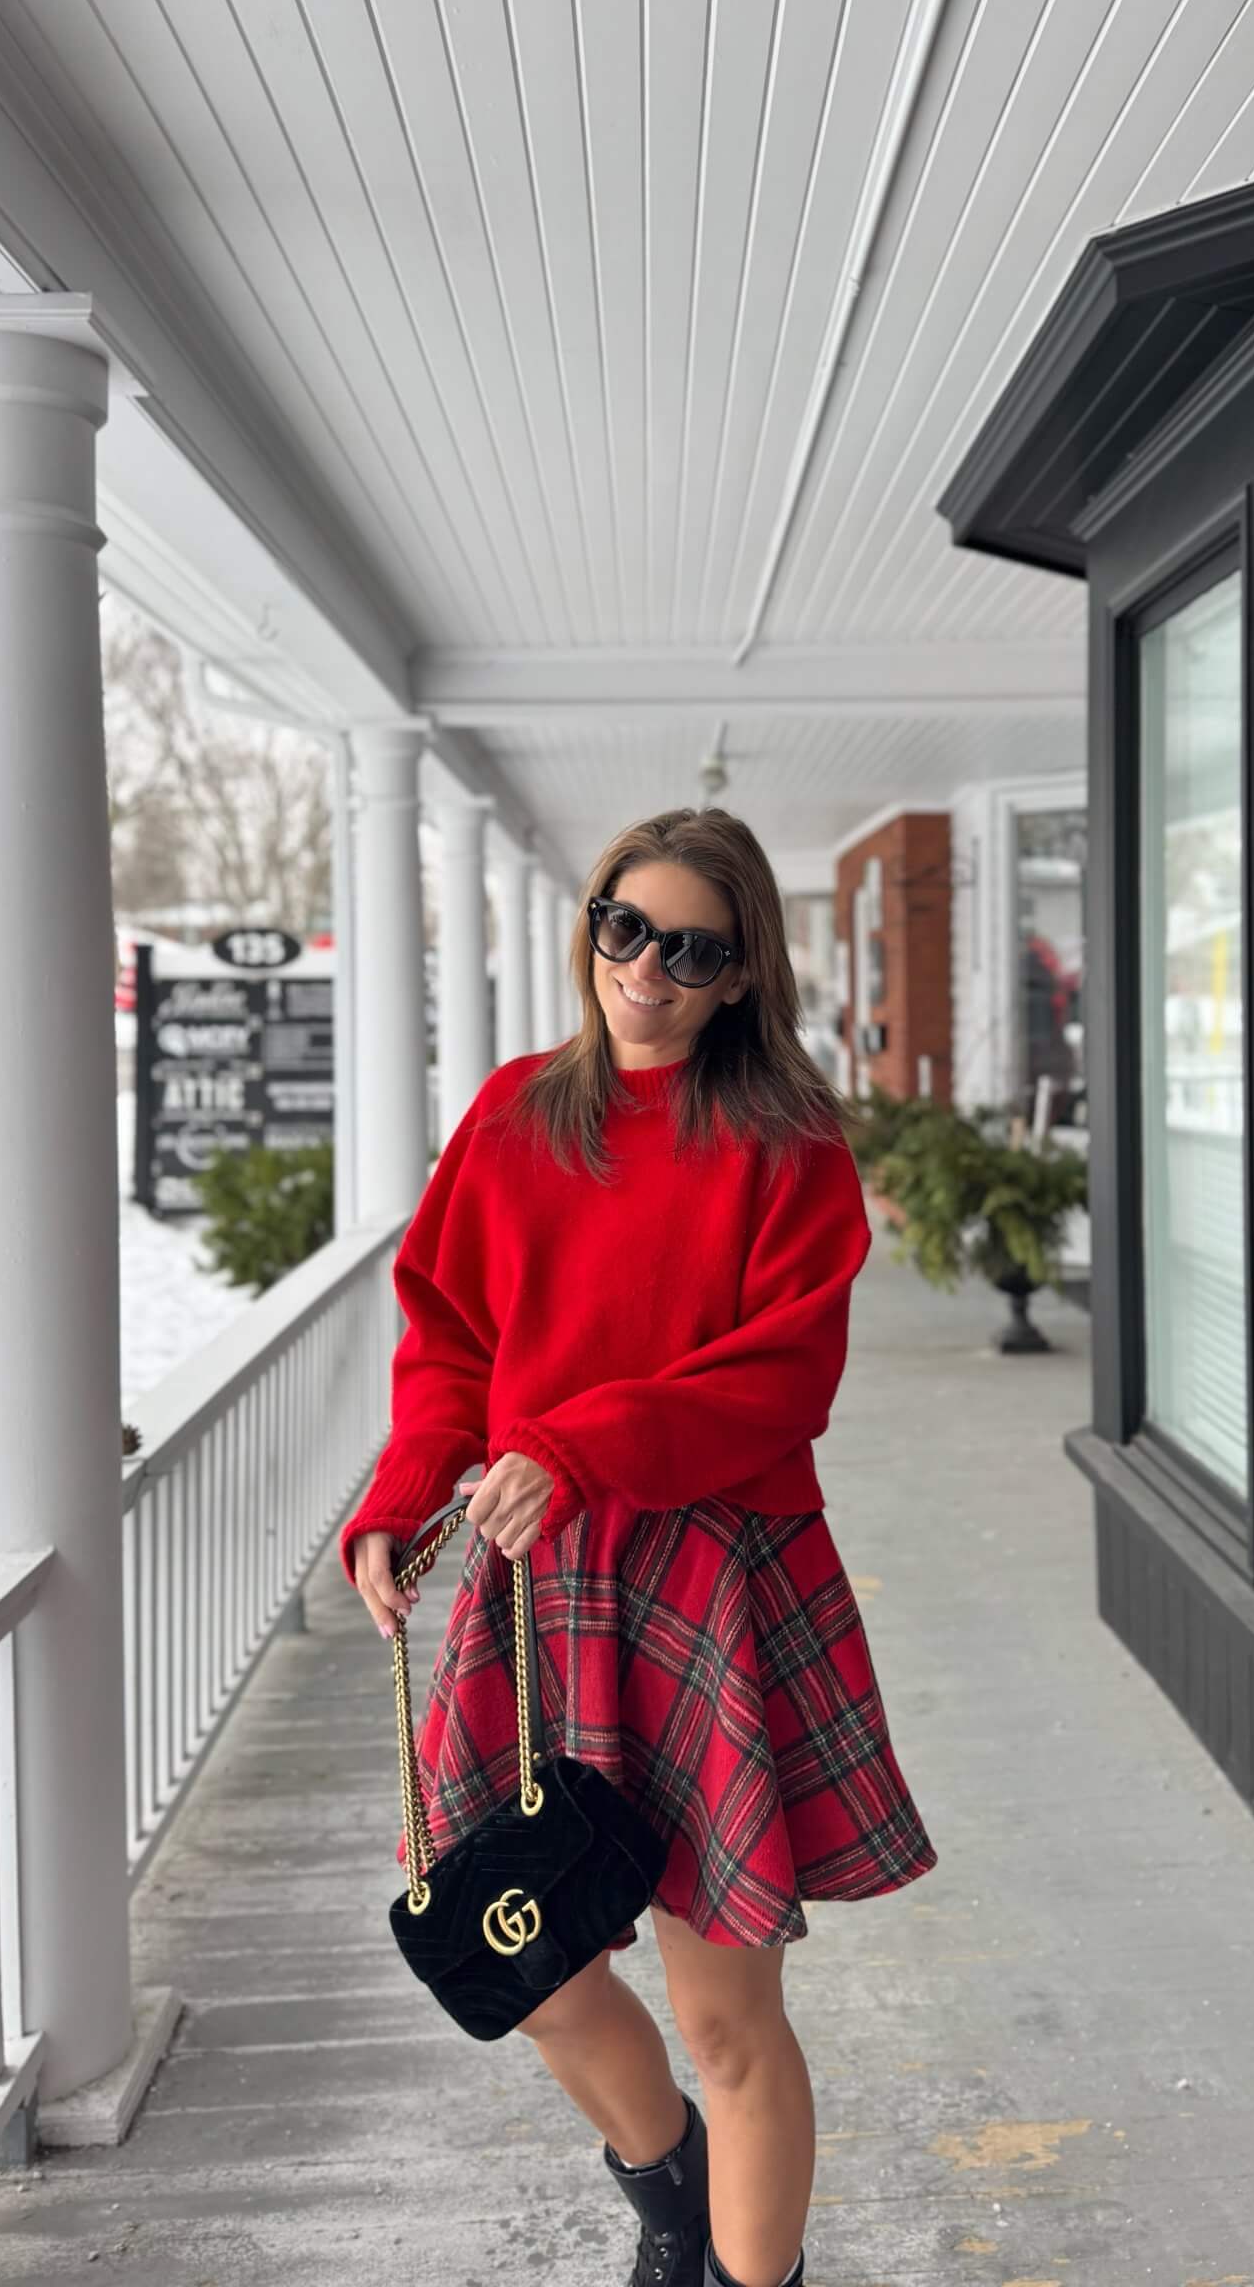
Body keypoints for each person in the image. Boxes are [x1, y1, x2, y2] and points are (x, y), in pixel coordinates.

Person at [341, 807, 938, 2287]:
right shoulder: (513, 1114)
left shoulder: (789, 1143)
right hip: (538, 1583)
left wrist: (581, 1445)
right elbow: (452, 1340)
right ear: (589, 922)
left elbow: (783, 1379)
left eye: (692, 950)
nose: (647, 970)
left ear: (742, 974)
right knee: (522, 1954)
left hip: (712, 1582)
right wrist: (401, 1498)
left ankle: (754, 2276)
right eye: (626, 929)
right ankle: (672, 2196)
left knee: (726, 2011)